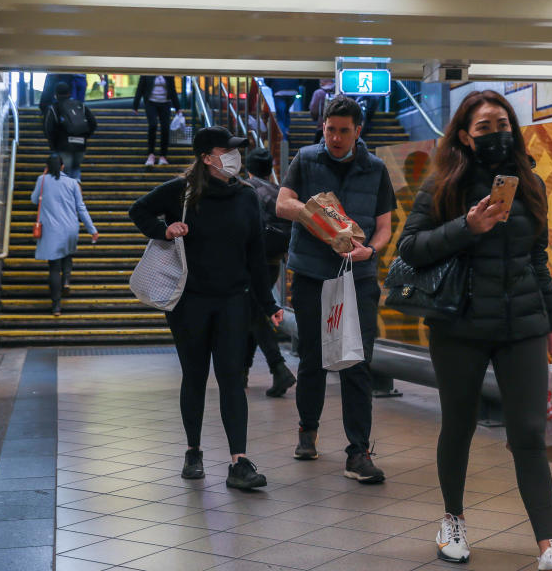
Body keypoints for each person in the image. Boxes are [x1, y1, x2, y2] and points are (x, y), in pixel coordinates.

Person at [396, 90, 552, 570]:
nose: (496, 134)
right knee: (459, 425)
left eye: (502, 124)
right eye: (484, 127)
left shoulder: (529, 184)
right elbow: (410, 248)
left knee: (528, 431)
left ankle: (549, 547)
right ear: (464, 135)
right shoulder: (443, 184)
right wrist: (467, 225)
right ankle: (453, 521)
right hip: (459, 324)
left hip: (520, 326)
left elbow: (537, 260)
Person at [129, 126, 283, 490]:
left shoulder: (246, 196)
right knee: (195, 376)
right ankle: (193, 451)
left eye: (236, 150)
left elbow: (256, 257)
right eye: (226, 150)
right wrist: (164, 230)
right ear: (206, 157)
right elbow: (138, 211)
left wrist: (268, 303)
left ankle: (238, 462)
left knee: (232, 378)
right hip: (190, 303)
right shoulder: (181, 191)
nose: (234, 156)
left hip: (233, 300)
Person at [275, 95, 396, 483]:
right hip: (312, 273)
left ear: (358, 131)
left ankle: (357, 452)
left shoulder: (375, 169)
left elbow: (385, 226)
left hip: (357, 277)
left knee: (356, 361)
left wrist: (371, 250)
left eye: (344, 131)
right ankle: (307, 430)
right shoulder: (306, 159)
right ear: (322, 128)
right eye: (331, 130)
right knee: (312, 356)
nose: (336, 138)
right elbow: (282, 203)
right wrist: (312, 215)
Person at [244, 147, 297, 397]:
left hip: (251, 264)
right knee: (254, 315)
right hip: (274, 263)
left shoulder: (247, 190)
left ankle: (279, 368)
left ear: (249, 168)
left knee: (254, 315)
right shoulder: (278, 192)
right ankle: (243, 372)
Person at [31, 155, 98, 316]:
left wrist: (44, 176)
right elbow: (81, 208)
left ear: (47, 167)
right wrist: (92, 229)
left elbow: (34, 200)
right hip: (70, 228)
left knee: (54, 267)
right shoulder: (73, 182)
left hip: (51, 229)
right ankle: (66, 280)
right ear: (62, 167)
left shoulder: (42, 180)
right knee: (67, 254)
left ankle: (56, 306)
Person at [43, 81, 97, 182]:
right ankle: (76, 192)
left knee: (65, 174)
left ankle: (67, 196)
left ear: (56, 94)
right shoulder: (80, 106)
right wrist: (85, 136)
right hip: (80, 145)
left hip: (63, 146)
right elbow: (93, 123)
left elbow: (48, 129)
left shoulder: (54, 108)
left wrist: (53, 145)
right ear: (69, 93)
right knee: (76, 170)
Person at [133, 75, 182, 167]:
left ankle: (163, 156)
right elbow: (140, 88)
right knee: (153, 125)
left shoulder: (168, 74)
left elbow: (172, 90)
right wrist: (135, 105)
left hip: (165, 103)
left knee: (165, 128)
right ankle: (151, 155)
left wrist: (178, 107)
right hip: (151, 103)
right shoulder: (147, 73)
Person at [309, 79, 335, 144]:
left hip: (322, 126)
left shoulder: (318, 93)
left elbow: (313, 108)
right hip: (338, 127)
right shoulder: (339, 92)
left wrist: (315, 118)